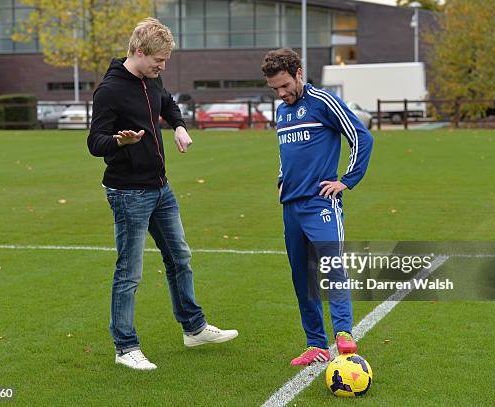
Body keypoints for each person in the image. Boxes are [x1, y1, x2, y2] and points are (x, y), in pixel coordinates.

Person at [87, 17, 238, 371]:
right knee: (129, 271)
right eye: (159, 59)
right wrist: (119, 142)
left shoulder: (152, 79)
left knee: (180, 257)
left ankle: (194, 329)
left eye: (166, 60)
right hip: (128, 194)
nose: (163, 66)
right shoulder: (109, 91)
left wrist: (180, 128)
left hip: (160, 188)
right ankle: (125, 347)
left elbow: (168, 104)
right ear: (139, 52)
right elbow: (95, 142)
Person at [261, 48, 373, 366]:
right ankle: (316, 344)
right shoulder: (282, 113)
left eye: (285, 86)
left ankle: (343, 333)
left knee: (332, 264)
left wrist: (347, 181)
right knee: (302, 276)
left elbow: (361, 137)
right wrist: (282, 177)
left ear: (299, 73)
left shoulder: (323, 101)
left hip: (321, 202)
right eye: (275, 89)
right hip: (291, 206)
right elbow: (287, 153)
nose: (281, 94)